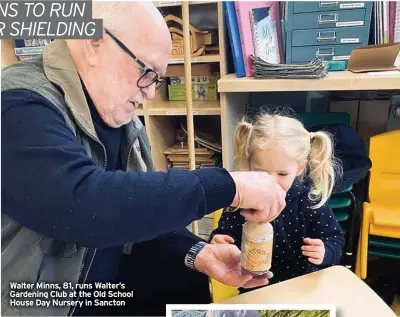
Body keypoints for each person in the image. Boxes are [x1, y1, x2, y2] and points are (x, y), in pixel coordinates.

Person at [1, 2, 286, 316]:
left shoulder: (119, 118)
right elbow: (84, 205)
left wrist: (198, 253)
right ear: (94, 42)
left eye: (158, 79)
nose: (151, 92)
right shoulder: (16, 104)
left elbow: (133, 215)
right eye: (147, 71)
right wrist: (228, 185)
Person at [210, 113, 345, 291]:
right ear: (250, 164)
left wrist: (325, 252)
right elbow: (224, 236)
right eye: (262, 173)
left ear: (300, 168)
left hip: (302, 289)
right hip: (254, 288)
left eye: (282, 174)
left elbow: (335, 238)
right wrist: (217, 242)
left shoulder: (309, 200)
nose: (271, 182)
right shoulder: (241, 200)